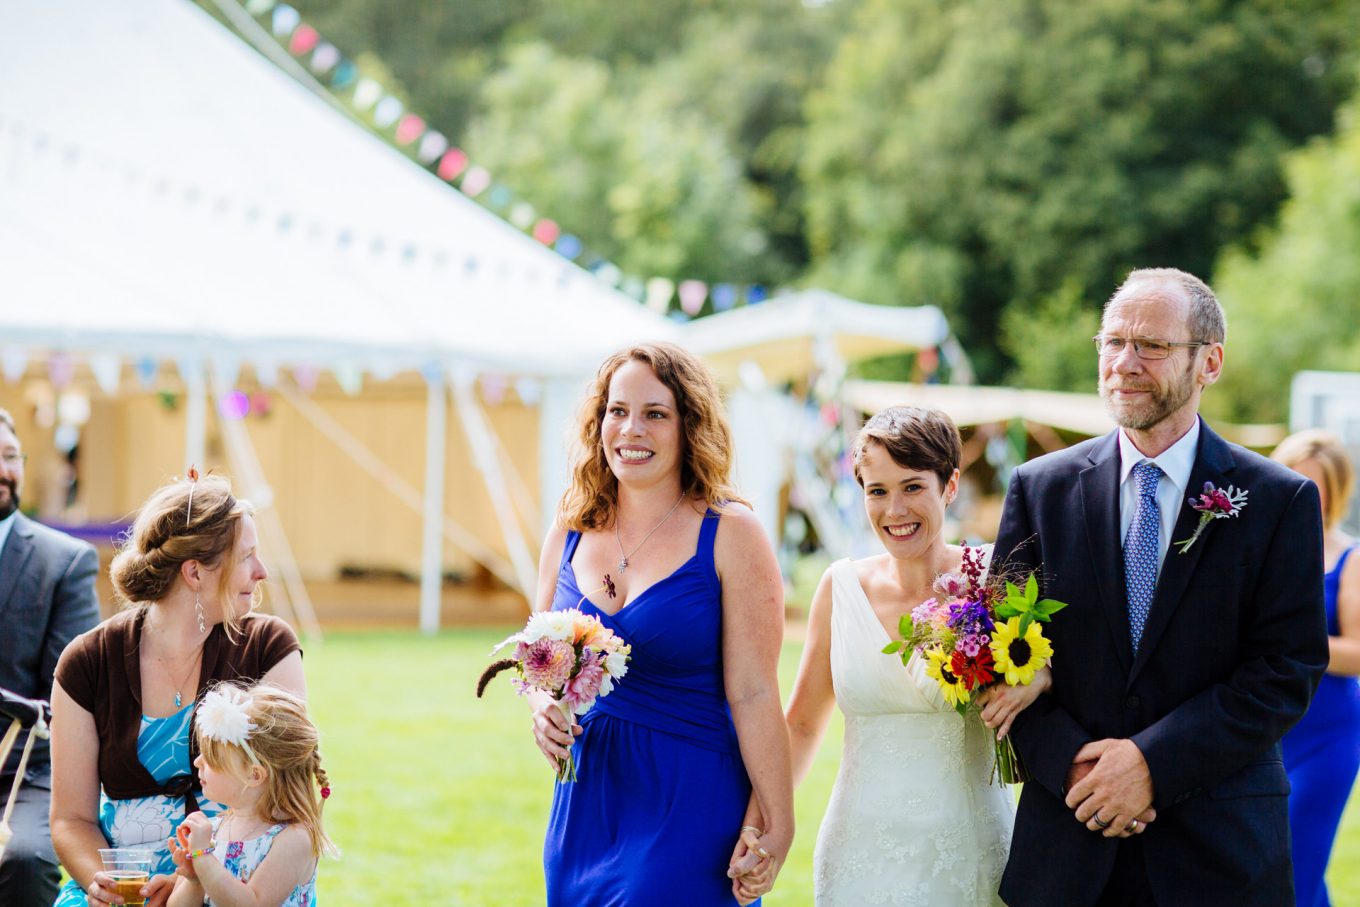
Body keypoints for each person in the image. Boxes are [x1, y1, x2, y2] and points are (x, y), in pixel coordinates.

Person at [994, 267, 1329, 906]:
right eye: (1112, 341)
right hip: (1070, 848)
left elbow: (1286, 669)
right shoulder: (1039, 489)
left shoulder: (1278, 500)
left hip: (1219, 855)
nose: (1124, 361)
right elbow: (1002, 653)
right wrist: (1077, 768)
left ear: (1210, 362)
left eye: (1152, 345)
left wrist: (1152, 764)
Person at [734, 406, 1050, 904]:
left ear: (949, 485)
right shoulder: (839, 588)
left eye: (912, 487)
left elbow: (1061, 668)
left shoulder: (995, 578)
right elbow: (799, 726)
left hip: (968, 852)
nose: (894, 510)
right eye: (877, 491)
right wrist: (763, 829)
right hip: (857, 853)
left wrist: (1042, 676)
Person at [529, 342, 794, 905]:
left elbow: (754, 691)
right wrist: (541, 709)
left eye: (655, 413)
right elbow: (537, 662)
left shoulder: (731, 532)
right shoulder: (569, 528)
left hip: (692, 797)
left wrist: (778, 820)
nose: (632, 429)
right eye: (618, 411)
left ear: (689, 426)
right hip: (586, 803)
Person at [49, 473, 306, 907]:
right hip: (121, 890)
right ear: (194, 572)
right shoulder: (87, 662)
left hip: (236, 881)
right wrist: (112, 887)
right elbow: (70, 819)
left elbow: (289, 795)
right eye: (247, 556)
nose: (261, 571)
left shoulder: (268, 648)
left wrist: (197, 880)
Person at [0, 408, 101, 906]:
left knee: (22, 858)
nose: (4, 470)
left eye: (11, 456)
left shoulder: (64, 563)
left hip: (28, 772)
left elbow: (69, 701)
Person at [1272, 430, 1360, 907]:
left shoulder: (1350, 559)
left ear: (1336, 491)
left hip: (1326, 735)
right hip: (1265, 728)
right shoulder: (1264, 548)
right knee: (1260, 865)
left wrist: (1294, 645)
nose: (1303, 491)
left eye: (1316, 483)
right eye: (1294, 478)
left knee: (1296, 864)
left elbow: (1359, 651)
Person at [167, 682, 333, 907]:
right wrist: (194, 880)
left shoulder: (293, 839)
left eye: (212, 759)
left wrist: (204, 859)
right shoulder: (215, 829)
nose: (197, 762)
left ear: (254, 775)